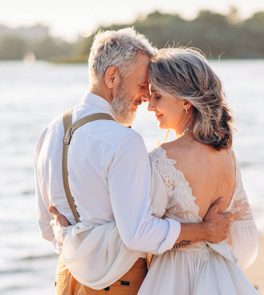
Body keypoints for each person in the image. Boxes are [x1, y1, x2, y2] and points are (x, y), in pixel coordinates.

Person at [34, 28, 232, 295]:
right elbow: (139, 234)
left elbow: (48, 228)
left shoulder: (49, 132)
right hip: (118, 281)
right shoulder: (123, 142)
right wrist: (205, 231)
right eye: (142, 85)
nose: (146, 98)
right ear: (112, 76)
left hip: (66, 277)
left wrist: (77, 239)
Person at [136, 47, 259, 294]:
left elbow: (144, 236)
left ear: (185, 101)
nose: (150, 107)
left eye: (157, 96)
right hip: (223, 276)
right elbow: (247, 241)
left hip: (172, 279)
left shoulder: (162, 158)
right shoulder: (227, 155)